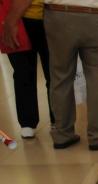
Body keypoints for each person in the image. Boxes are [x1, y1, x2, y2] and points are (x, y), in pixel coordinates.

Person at [3, 0, 98, 150]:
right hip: (94, 17)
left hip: (58, 15)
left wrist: (11, 20)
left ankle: (63, 134)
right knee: (97, 78)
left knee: (60, 76)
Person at [1, 0, 54, 139]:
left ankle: (56, 119)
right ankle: (28, 122)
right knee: (24, 72)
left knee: (53, 72)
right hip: (17, 17)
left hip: (46, 15)